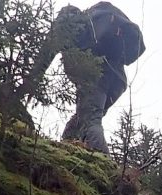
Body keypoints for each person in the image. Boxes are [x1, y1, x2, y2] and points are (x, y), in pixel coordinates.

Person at [59, 2, 145, 154]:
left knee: (91, 120)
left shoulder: (75, 29)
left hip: (98, 76)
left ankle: (106, 166)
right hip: (118, 81)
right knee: (84, 117)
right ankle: (66, 147)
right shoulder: (96, 21)